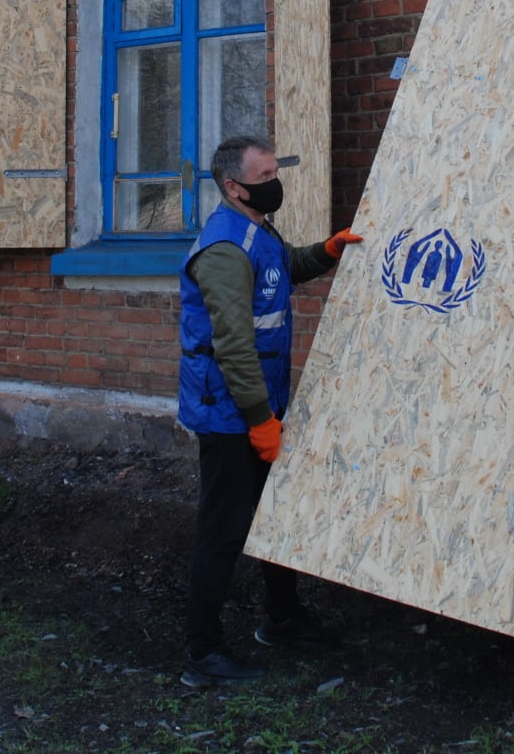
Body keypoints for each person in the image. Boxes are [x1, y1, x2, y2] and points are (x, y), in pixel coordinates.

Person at [178, 134, 363, 688]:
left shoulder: (258, 231)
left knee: (274, 515)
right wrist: (259, 419)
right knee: (224, 529)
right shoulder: (223, 251)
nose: (274, 182)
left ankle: (282, 619)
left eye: (274, 171)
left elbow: (285, 268)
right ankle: (202, 653)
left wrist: (327, 251)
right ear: (234, 187)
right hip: (230, 414)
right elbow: (232, 343)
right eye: (264, 176)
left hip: (261, 407)